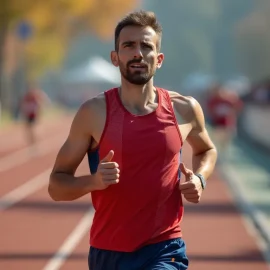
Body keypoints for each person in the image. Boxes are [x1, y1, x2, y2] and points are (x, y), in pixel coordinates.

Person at [48, 10, 217, 270]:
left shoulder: (184, 108)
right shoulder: (93, 112)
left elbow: (207, 149)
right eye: (129, 45)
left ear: (158, 59)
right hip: (108, 252)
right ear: (115, 58)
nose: (138, 53)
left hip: (164, 248)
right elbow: (56, 186)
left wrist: (200, 178)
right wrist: (94, 181)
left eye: (146, 46)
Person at [206, 83, 243, 159]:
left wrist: (233, 112)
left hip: (228, 124)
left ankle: (224, 158)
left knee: (226, 143)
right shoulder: (213, 100)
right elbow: (209, 111)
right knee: (216, 142)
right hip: (217, 125)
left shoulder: (228, 100)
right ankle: (218, 158)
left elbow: (239, 106)